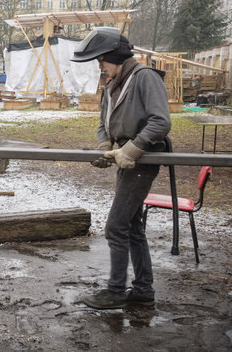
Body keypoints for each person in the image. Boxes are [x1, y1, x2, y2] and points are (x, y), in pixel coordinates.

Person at [70, 27, 171, 309]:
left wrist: (133, 147)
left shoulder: (145, 78)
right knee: (133, 227)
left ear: (115, 56)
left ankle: (116, 291)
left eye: (101, 60)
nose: (99, 66)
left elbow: (160, 122)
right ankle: (143, 289)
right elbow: (104, 123)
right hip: (126, 157)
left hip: (144, 158)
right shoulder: (112, 84)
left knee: (116, 227)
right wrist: (105, 147)